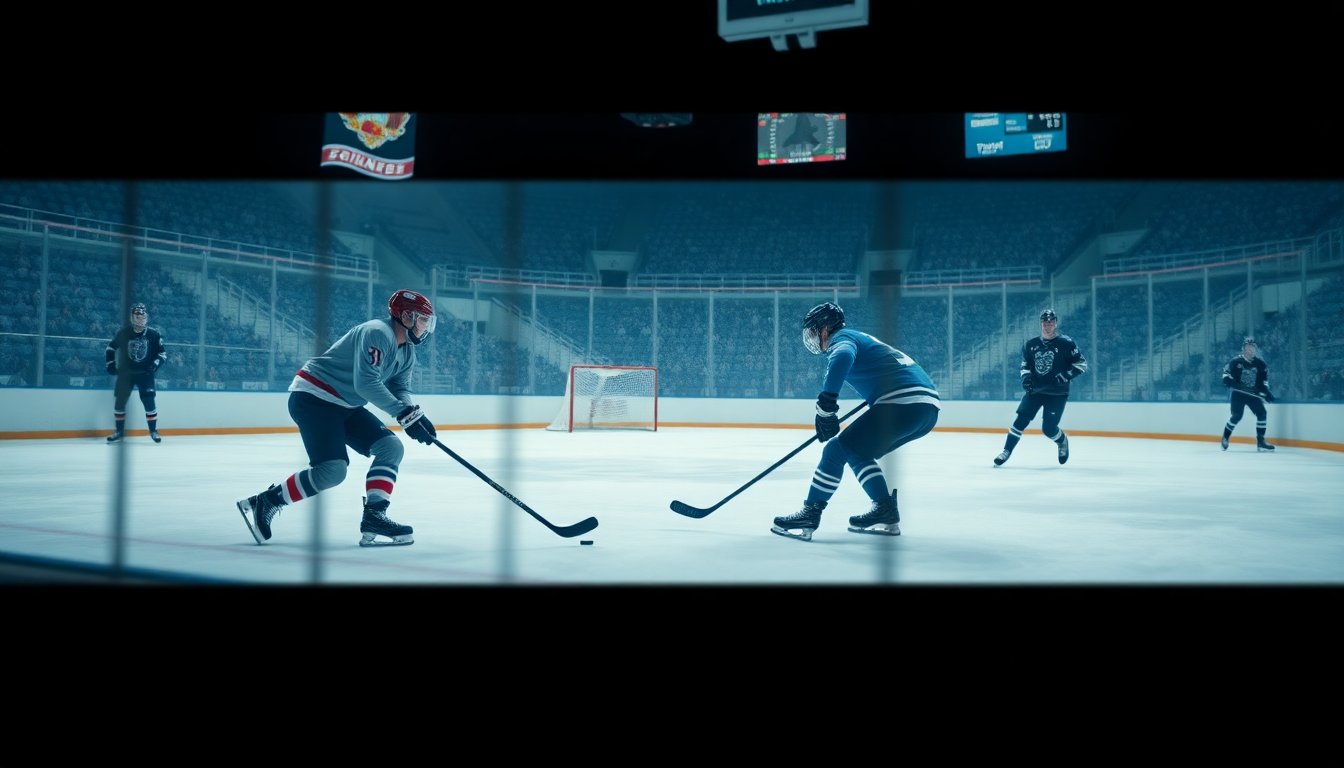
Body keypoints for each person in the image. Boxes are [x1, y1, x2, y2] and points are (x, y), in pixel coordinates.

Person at [235, 289, 439, 547]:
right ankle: (266, 502)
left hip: (345, 404)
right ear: (406, 316)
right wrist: (403, 413)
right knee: (332, 471)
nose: (426, 326)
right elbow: (366, 383)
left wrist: (414, 414)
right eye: (423, 319)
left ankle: (375, 516)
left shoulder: (407, 351)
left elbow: (400, 387)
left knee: (391, 447)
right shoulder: (378, 333)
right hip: (314, 397)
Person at [771, 302, 941, 542]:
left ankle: (810, 513)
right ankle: (884, 509)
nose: (811, 337)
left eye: (813, 330)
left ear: (825, 329)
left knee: (835, 451)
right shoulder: (859, 337)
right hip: (926, 410)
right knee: (857, 452)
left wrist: (826, 406)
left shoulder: (842, 339)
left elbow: (843, 356)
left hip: (903, 403)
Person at [993, 308, 1088, 467]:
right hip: (1035, 391)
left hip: (1057, 393)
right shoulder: (1031, 345)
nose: (1048, 325)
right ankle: (1006, 451)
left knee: (1049, 429)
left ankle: (1062, 441)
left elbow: (1082, 364)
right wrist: (1026, 379)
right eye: (1045, 322)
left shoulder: (1066, 343)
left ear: (1056, 323)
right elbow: (1025, 366)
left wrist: (1066, 375)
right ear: (1041, 324)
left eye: (1051, 322)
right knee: (1020, 420)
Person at [105, 302, 168, 443]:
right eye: (137, 316)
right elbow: (110, 348)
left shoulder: (153, 334)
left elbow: (162, 354)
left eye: (142, 316)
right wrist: (111, 364)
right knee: (120, 402)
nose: (140, 319)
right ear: (132, 317)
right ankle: (119, 431)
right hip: (126, 374)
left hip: (145, 374)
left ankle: (153, 431)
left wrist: (155, 365)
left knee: (149, 401)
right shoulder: (124, 333)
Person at [1220, 337, 1275, 451]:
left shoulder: (1261, 364)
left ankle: (1261, 442)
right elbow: (1225, 375)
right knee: (1237, 416)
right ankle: (1225, 438)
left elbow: (1263, 382)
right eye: (1248, 348)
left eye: (1252, 348)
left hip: (1252, 395)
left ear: (1255, 350)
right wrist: (1232, 383)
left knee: (1262, 414)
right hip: (1238, 394)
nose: (1250, 350)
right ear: (1243, 349)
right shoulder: (1235, 362)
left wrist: (1267, 392)